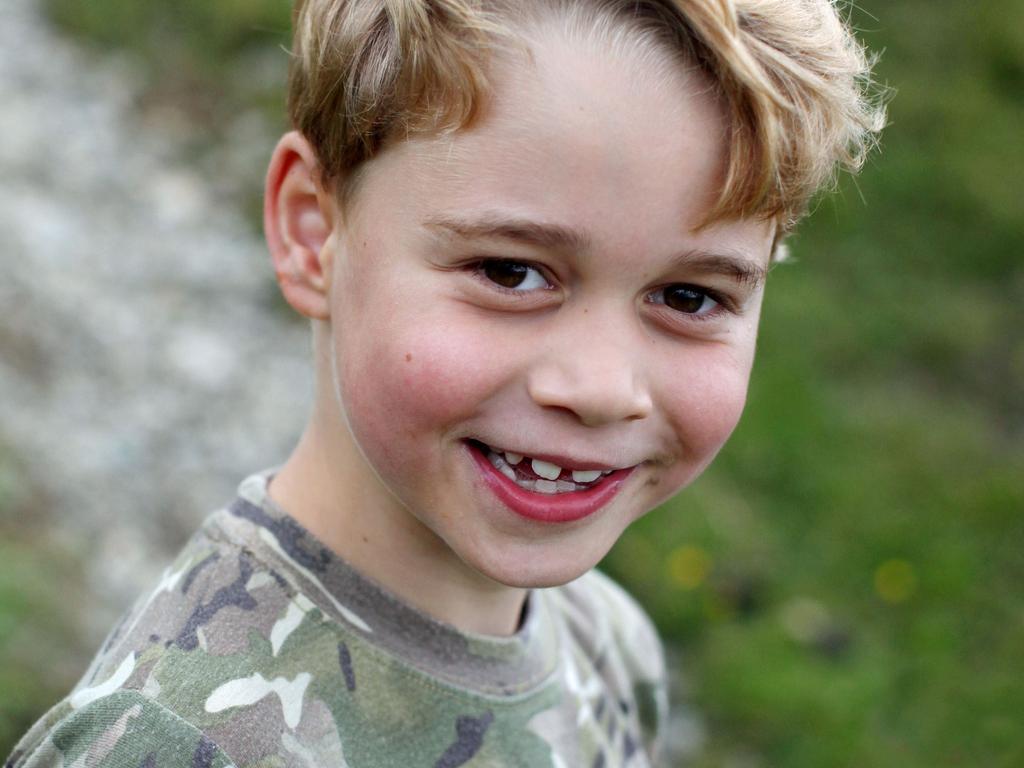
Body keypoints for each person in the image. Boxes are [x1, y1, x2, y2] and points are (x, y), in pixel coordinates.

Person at [6, 1, 884, 766]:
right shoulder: (173, 741)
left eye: (690, 296)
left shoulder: (612, 652)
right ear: (315, 234)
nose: (602, 388)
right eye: (510, 272)